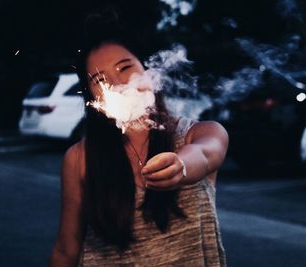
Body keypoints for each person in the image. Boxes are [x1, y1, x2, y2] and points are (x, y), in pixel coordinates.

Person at [49, 13, 229, 267]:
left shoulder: (200, 133)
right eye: (100, 80)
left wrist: (181, 165)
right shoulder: (80, 158)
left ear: (148, 71)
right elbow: (66, 250)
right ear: (93, 98)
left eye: (125, 67)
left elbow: (205, 153)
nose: (119, 83)